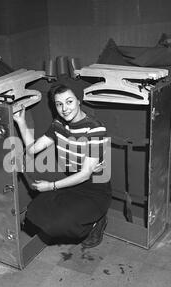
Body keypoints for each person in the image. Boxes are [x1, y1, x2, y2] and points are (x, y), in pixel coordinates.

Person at [13, 78, 112, 248]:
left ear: (79, 101)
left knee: (59, 225)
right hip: (72, 184)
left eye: (69, 102)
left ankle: (97, 222)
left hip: (95, 189)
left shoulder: (95, 129)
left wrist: (51, 186)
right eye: (59, 104)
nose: (64, 109)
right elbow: (32, 149)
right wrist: (21, 122)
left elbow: (85, 174)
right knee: (34, 213)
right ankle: (86, 216)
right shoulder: (58, 125)